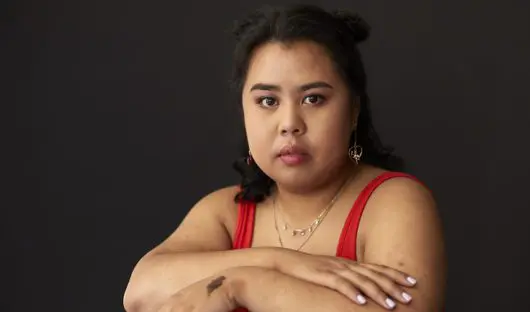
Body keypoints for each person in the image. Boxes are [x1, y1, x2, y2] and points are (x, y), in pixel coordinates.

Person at [123, 4, 447, 312]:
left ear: (353, 111)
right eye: (267, 101)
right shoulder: (226, 214)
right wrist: (281, 261)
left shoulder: (393, 202)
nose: (290, 123)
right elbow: (140, 292)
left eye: (314, 98)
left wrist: (243, 283)